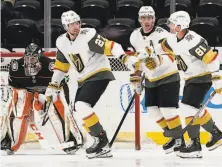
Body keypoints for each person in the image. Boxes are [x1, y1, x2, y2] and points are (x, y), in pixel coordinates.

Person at [44, 10, 136, 159]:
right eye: (71, 24)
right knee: (79, 110)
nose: (75, 26)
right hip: (84, 78)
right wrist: (53, 86)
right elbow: (62, 66)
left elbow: (112, 46)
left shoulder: (88, 35)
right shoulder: (61, 42)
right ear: (64, 26)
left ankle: (101, 139)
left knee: (81, 105)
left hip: (99, 73)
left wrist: (125, 59)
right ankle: (102, 146)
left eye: (77, 22)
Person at [0, 43, 83, 155]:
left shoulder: (51, 65)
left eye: (33, 58)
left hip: (46, 92)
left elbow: (62, 84)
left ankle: (69, 137)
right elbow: (13, 88)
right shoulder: (15, 67)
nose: (30, 61)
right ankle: (9, 138)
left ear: (40, 58)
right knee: (17, 105)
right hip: (26, 93)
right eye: (28, 57)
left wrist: (57, 99)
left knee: (56, 106)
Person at [129, 6, 185, 154]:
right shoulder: (134, 36)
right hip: (150, 79)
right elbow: (138, 60)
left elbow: (172, 56)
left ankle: (180, 139)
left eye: (149, 18)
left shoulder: (163, 34)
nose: (147, 21)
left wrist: (158, 60)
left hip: (168, 76)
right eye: (143, 18)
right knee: (153, 111)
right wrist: (136, 79)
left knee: (168, 110)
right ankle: (172, 136)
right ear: (139, 19)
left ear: (154, 19)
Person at [167, 11, 222, 158]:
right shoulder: (173, 38)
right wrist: (148, 52)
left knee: (188, 108)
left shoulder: (194, 40)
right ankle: (213, 135)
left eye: (172, 23)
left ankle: (196, 144)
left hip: (201, 77)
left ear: (180, 25)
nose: (170, 25)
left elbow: (212, 58)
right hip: (190, 78)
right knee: (191, 109)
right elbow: (163, 47)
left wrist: (217, 79)